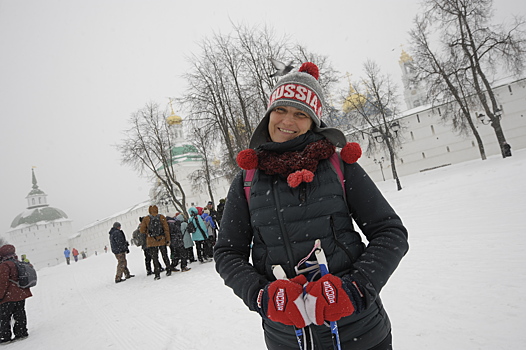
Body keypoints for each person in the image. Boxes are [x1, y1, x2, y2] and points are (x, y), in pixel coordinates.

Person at [214, 62, 409, 350]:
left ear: (313, 121)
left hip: (361, 334)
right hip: (288, 340)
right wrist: (263, 297)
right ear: (269, 113)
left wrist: (354, 290)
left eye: (300, 113)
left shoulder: (339, 166)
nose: (288, 121)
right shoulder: (247, 180)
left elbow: (390, 233)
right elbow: (228, 253)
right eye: (281, 110)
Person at [0, 244, 32, 343]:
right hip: (21, 293)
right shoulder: (18, 262)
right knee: (20, 313)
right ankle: (21, 333)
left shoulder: (4, 265)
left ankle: (4, 337)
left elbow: (2, 282)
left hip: (9, 296)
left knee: (4, 317)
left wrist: (0, 296)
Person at [140, 205, 172, 280]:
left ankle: (157, 274)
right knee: (165, 255)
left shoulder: (146, 219)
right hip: (162, 239)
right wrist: (167, 239)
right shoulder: (161, 217)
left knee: (155, 258)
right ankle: (168, 269)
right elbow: (166, 229)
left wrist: (148, 232)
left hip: (151, 241)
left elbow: (142, 230)